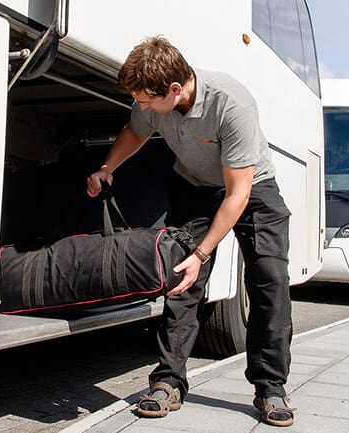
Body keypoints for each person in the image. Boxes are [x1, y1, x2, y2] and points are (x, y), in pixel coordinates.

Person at [86, 36, 295, 427]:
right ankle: (168, 382)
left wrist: (202, 254)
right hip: (193, 186)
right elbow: (135, 131)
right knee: (182, 283)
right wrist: (108, 166)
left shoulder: (231, 105)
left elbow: (237, 195)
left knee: (269, 282)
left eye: (147, 100)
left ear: (176, 89)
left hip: (252, 190)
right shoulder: (153, 101)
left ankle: (270, 388)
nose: (142, 107)